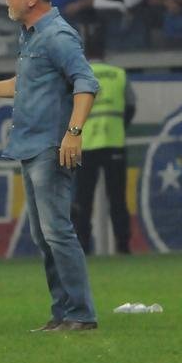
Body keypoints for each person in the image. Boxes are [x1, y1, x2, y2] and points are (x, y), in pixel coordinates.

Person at [0, 0, 100, 332]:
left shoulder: (57, 35)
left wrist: (74, 132)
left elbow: (86, 82)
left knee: (56, 231)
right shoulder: (31, 35)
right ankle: (64, 312)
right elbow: (32, 81)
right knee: (43, 234)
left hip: (50, 145)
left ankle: (81, 314)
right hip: (31, 143)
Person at [72, 33, 135, 255]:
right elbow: (130, 107)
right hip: (114, 142)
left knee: (83, 199)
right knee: (117, 198)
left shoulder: (78, 76)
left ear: (84, 53)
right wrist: (118, 127)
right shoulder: (119, 75)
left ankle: (83, 246)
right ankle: (123, 246)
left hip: (86, 145)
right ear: (105, 52)